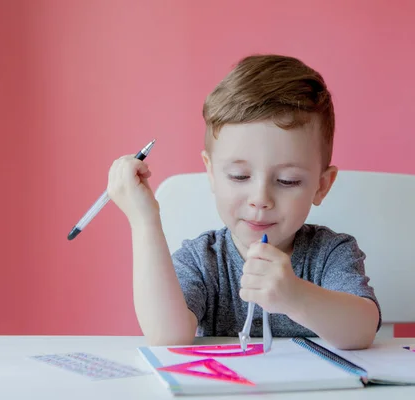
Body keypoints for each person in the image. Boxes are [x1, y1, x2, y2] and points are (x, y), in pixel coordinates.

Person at [106, 54, 381, 350]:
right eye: (239, 176)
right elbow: (167, 336)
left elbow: (362, 331)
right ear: (211, 173)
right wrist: (144, 221)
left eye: (287, 180)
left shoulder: (331, 253)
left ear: (321, 185)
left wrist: (296, 296)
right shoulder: (203, 260)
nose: (260, 199)